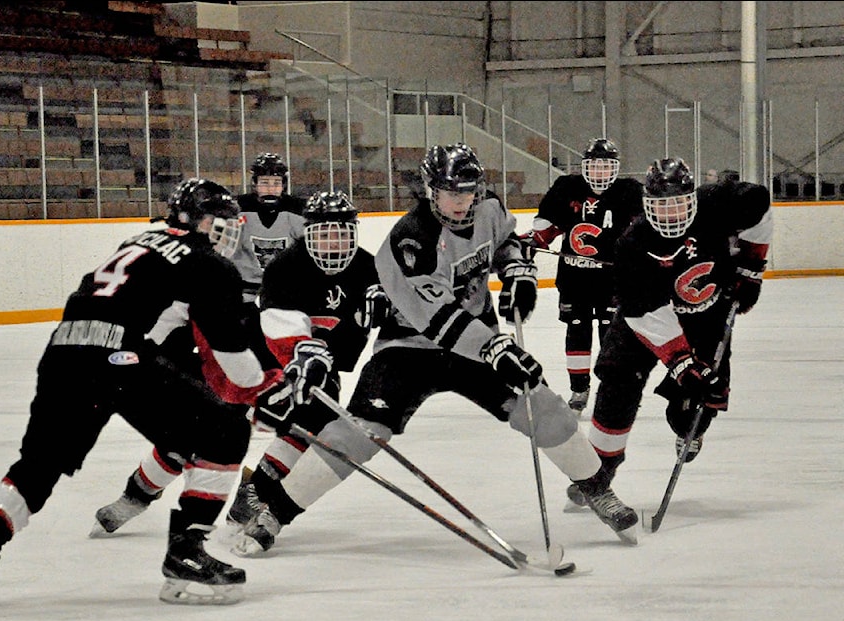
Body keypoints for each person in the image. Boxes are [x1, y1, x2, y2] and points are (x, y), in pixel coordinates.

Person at [0, 178, 294, 611]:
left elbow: (155, 321)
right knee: (225, 433)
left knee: (39, 464)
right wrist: (267, 388)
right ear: (197, 221)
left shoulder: (142, 239)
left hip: (63, 353)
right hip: (117, 359)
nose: (225, 229)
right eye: (218, 220)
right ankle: (186, 553)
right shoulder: (208, 263)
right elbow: (233, 358)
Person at [233, 142, 640, 556]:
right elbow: (440, 321)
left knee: (542, 407)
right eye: (451, 192)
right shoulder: (411, 241)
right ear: (431, 189)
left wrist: (515, 268)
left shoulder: (489, 208)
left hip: (478, 344)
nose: (461, 201)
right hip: (409, 348)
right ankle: (275, 513)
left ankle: (598, 490)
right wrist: (497, 348)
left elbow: (503, 241)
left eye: (468, 191)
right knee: (358, 433)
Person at [89, 190, 388, 538]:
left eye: (340, 232)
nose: (333, 241)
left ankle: (255, 490)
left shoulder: (370, 270)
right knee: (200, 430)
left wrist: (388, 300)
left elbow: (392, 321)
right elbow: (278, 329)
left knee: (315, 422)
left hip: (321, 367)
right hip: (267, 361)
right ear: (307, 232)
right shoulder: (285, 267)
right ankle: (135, 496)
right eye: (324, 232)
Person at [564, 157, 771, 511]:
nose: (671, 213)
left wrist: (751, 268)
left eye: (677, 203)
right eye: (662, 205)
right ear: (647, 204)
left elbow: (760, 202)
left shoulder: (718, 203)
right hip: (644, 323)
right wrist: (679, 361)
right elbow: (643, 311)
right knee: (617, 383)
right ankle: (598, 473)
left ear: (692, 197)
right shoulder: (634, 242)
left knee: (694, 406)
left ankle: (691, 426)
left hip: (706, 319)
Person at [520, 138, 643, 413]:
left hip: (613, 280)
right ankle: (579, 389)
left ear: (616, 168)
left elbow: (643, 234)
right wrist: (531, 243)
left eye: (606, 166)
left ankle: (609, 389)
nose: (600, 173)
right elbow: (546, 229)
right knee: (577, 328)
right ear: (585, 167)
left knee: (610, 333)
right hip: (574, 279)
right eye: (595, 166)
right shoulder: (567, 187)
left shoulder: (630, 192)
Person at [234, 152, 308, 304]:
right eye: (265, 183)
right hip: (245, 286)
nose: (270, 189)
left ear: (284, 185)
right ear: (255, 184)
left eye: (276, 183)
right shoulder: (238, 208)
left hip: (283, 285)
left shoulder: (297, 209)